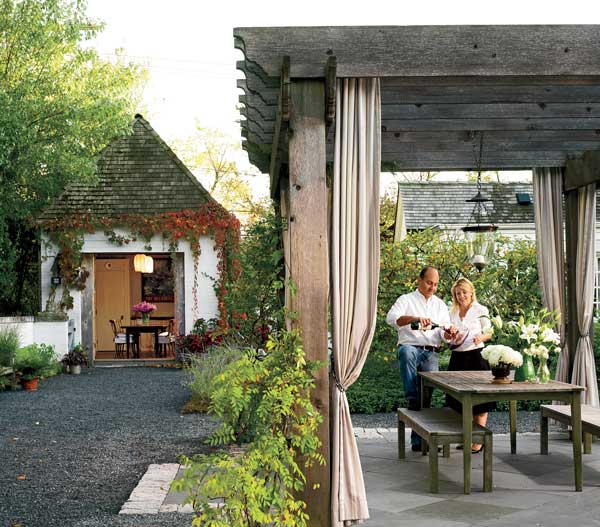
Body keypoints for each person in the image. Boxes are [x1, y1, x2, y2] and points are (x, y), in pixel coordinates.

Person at [386, 266, 455, 451]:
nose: (432, 287)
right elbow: (392, 319)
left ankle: (419, 442)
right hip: (411, 346)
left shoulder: (440, 304)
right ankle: (411, 397)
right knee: (406, 352)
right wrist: (414, 318)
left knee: (427, 398)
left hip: (430, 350)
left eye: (436, 284)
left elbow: (443, 332)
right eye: (429, 282)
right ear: (419, 280)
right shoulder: (406, 299)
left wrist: (449, 333)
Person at [446, 277, 494, 454]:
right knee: (457, 400)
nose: (461, 296)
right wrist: (450, 335)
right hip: (458, 358)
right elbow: (447, 334)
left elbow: (489, 331)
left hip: (476, 356)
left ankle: (478, 440)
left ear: (471, 292)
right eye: (458, 293)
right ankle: (465, 437)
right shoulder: (452, 312)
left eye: (464, 292)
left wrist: (481, 337)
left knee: (479, 400)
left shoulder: (480, 309)